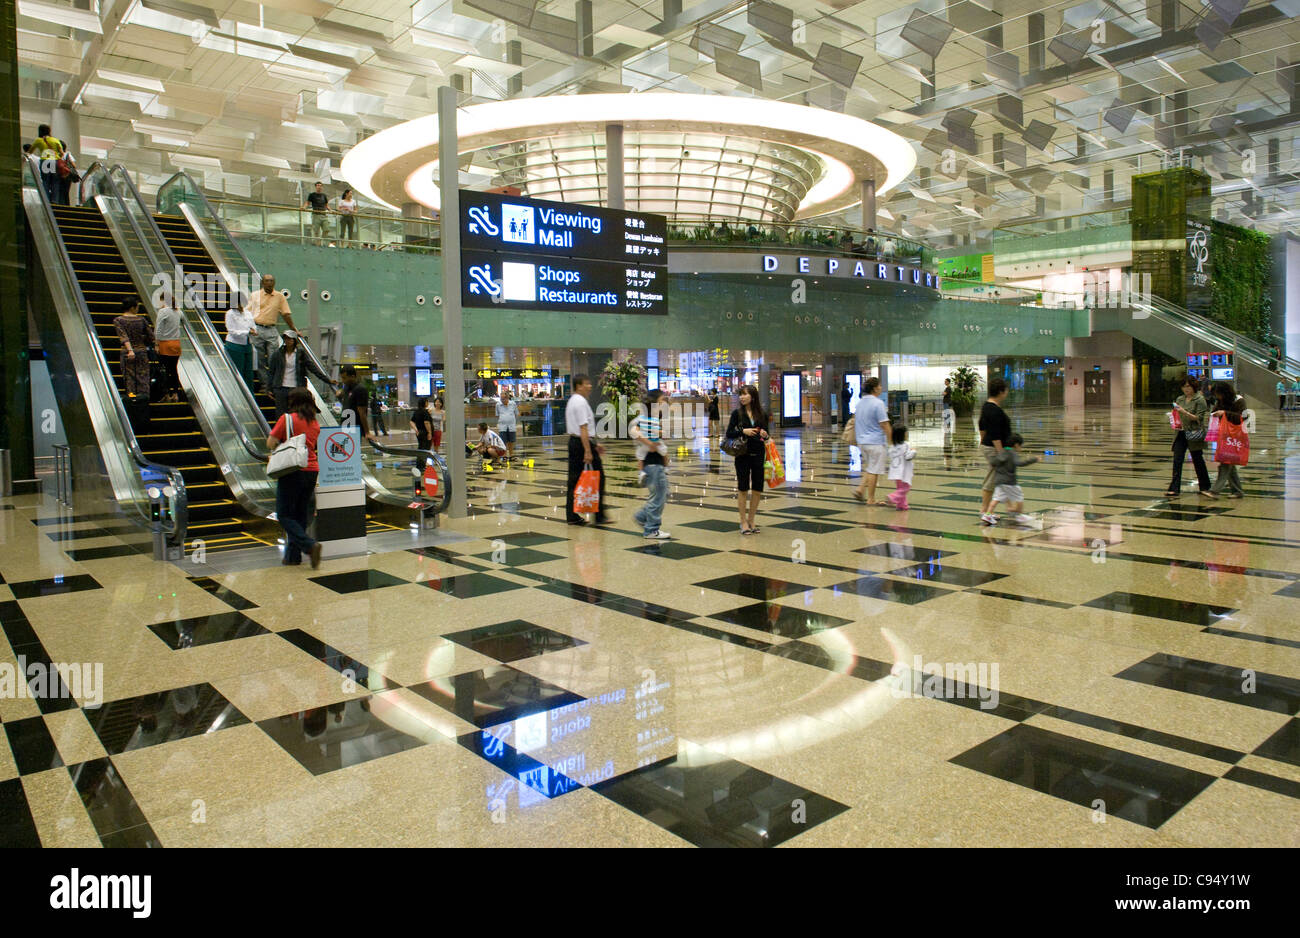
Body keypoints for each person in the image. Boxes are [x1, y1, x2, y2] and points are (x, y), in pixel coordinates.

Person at [267, 387, 323, 568]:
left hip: (293, 470)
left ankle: (309, 545)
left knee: (284, 514)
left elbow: (271, 442)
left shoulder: (287, 419)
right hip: (312, 470)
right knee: (299, 515)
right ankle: (292, 557)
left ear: (293, 402)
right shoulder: (315, 423)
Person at [564, 375, 609, 525]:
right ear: (579, 386)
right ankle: (599, 515)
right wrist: (588, 451)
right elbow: (583, 428)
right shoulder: (581, 402)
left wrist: (594, 444)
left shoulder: (573, 401)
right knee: (599, 477)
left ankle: (572, 516)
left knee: (574, 480)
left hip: (576, 442)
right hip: (581, 444)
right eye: (586, 384)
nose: (590, 386)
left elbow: (583, 429)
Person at [725, 385, 770, 534]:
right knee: (743, 487)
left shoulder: (762, 414)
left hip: (758, 453)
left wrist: (764, 434)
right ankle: (743, 521)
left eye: (745, 394)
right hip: (742, 454)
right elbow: (729, 433)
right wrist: (742, 431)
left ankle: (751, 520)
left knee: (757, 488)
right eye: (741, 394)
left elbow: (767, 433)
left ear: (753, 396)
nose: (742, 397)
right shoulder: (737, 414)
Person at [245, 274, 296, 394]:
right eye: (267, 281)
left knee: (274, 358)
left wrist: (294, 329)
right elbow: (247, 313)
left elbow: (286, 314)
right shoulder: (255, 295)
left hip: (271, 329)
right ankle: (264, 385)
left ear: (275, 282)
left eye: (272, 281)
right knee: (259, 359)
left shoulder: (279, 297)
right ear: (263, 282)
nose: (269, 283)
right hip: (257, 328)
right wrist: (249, 327)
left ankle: (274, 384)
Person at [631, 389, 671, 540]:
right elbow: (634, 431)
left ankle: (642, 516)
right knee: (658, 496)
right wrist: (650, 443)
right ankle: (651, 529)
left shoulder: (653, 418)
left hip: (656, 462)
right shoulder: (645, 418)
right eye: (661, 401)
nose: (664, 403)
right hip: (652, 463)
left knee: (661, 494)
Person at [267, 331, 335, 417]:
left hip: (297, 388)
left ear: (294, 340)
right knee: (281, 414)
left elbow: (313, 368)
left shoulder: (301, 354)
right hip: (281, 388)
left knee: (297, 414)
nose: (287, 341)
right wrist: (269, 388)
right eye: (286, 338)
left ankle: (295, 430)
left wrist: (327, 380)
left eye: (290, 338)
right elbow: (271, 371)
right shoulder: (278, 354)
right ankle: (282, 430)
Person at [1167, 376, 1213, 498]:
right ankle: (1174, 488)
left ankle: (1205, 486)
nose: (1186, 389)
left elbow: (1199, 418)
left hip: (1194, 433)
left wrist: (1184, 412)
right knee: (1177, 459)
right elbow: (1176, 413)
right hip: (1180, 433)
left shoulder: (1200, 399)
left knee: (1197, 460)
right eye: (1184, 386)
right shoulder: (1180, 399)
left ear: (1193, 387)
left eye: (1188, 386)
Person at [978, 377, 1012, 525]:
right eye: (1005, 390)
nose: (1007, 392)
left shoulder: (986, 406)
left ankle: (989, 510)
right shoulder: (995, 411)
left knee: (997, 478)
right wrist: (1001, 453)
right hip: (994, 448)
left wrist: (982, 441)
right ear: (1001, 391)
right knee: (992, 478)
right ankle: (985, 511)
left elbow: (982, 427)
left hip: (988, 446)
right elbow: (996, 434)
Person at [852, 376, 892, 505]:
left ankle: (860, 489)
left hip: (862, 442)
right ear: (875, 388)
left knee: (870, 467)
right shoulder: (878, 403)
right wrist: (892, 441)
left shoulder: (859, 403)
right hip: (875, 442)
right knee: (874, 471)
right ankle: (871, 498)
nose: (881, 388)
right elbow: (885, 424)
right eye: (879, 386)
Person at [987, 433, 1040, 527]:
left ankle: (987, 515)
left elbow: (993, 462)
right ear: (1016, 445)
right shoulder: (1012, 453)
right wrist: (1033, 459)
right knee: (1019, 496)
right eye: (1020, 446)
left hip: (999, 480)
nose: (1021, 448)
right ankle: (1019, 515)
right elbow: (1019, 463)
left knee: (996, 498)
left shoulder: (1002, 451)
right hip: (1009, 482)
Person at [112, 296, 154, 402]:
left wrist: (130, 350)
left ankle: (132, 399)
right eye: (137, 307)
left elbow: (123, 336)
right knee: (143, 376)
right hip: (141, 351)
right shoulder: (141, 320)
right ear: (132, 308)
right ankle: (144, 399)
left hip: (127, 352)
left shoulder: (118, 320)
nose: (138, 309)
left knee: (129, 377)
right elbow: (151, 336)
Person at [1209, 382, 1246, 498]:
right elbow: (1215, 410)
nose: (1217, 397)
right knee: (1229, 462)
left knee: (1226, 462)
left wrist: (1225, 413)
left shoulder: (1239, 401)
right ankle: (1237, 491)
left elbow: (1243, 417)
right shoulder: (1221, 401)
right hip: (1224, 434)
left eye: (1218, 394)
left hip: (1235, 435)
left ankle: (1214, 490)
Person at [154, 301, 182, 403]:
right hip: (176, 344)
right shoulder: (178, 311)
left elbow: (159, 329)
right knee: (173, 370)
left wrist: (156, 343)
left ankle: (166, 394)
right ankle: (175, 394)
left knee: (163, 370)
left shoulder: (163, 311)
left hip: (165, 344)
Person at [223, 302, 255, 390]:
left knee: (248, 373)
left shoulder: (247, 313)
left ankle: (249, 396)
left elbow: (252, 325)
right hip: (235, 345)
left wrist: (254, 330)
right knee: (237, 372)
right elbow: (232, 331)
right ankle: (236, 394)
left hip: (247, 345)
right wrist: (247, 332)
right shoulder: (230, 313)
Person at [339, 366, 374, 441]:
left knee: (353, 450)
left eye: (344, 378)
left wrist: (367, 432)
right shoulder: (346, 387)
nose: (343, 381)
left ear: (353, 376)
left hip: (354, 428)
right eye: (342, 378)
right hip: (344, 427)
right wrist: (340, 392)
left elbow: (362, 412)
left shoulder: (360, 389)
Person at [885, 425, 915, 510]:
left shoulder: (892, 446)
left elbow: (889, 455)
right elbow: (908, 457)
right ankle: (893, 497)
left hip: (895, 471)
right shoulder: (906, 445)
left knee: (900, 488)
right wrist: (913, 451)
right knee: (906, 488)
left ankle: (902, 505)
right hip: (903, 471)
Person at [32, 124, 63, 205]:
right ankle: (55, 200)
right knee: (55, 182)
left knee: (45, 181)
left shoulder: (38, 140)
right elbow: (62, 153)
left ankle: (45, 200)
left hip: (45, 161)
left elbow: (30, 151)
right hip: (54, 161)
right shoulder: (55, 140)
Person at [302, 181, 330, 246]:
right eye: (317, 185)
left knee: (327, 229)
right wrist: (304, 207)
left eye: (320, 185)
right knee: (316, 231)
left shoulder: (324, 196)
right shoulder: (312, 195)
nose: (319, 187)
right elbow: (307, 203)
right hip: (316, 214)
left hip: (323, 214)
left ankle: (320, 240)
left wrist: (331, 210)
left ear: (322, 187)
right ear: (315, 187)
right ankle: (317, 244)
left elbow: (326, 205)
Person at [496, 388, 519, 460]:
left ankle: (511, 454)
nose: (502, 401)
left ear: (507, 398)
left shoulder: (513, 404)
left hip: (511, 425)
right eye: (501, 399)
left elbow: (516, 414)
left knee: (511, 441)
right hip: (502, 426)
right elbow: (497, 415)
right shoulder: (498, 405)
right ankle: (504, 455)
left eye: (504, 399)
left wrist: (511, 420)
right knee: (503, 441)